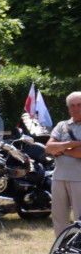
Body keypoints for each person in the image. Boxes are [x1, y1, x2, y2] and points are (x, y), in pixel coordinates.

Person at [46, 91, 81, 236]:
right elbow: (48, 148)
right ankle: (61, 250)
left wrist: (60, 148)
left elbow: (79, 153)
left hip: (79, 179)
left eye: (79, 105)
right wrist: (72, 144)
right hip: (59, 177)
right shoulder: (62, 126)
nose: (75, 108)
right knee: (59, 219)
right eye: (72, 105)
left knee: (80, 219)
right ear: (68, 108)